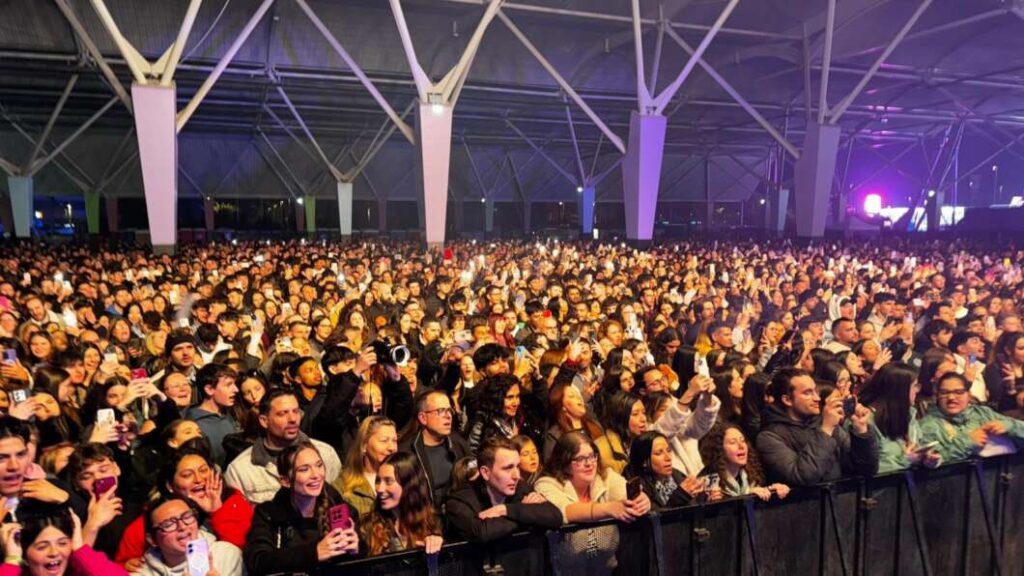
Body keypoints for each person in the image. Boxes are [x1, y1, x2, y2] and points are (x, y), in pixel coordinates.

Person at [115, 441, 253, 568]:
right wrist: (127, 564)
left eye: (204, 470)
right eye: (187, 475)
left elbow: (245, 556)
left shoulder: (234, 502)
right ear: (170, 486)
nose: (199, 479)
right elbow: (119, 566)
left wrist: (217, 512)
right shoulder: (154, 519)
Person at [534, 431, 651, 575]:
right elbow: (564, 511)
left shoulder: (606, 476)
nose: (589, 464)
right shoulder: (546, 484)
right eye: (580, 459)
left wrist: (643, 500)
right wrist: (608, 509)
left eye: (592, 456)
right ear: (564, 463)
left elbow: (627, 494)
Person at [244, 441, 360, 575]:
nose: (316, 475)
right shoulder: (268, 514)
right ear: (285, 481)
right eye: (304, 469)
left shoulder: (340, 510)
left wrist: (356, 550)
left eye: (319, 465)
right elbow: (257, 561)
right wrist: (313, 553)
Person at [756, 368, 879, 485]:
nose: (817, 398)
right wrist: (825, 431)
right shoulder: (769, 437)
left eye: (815, 391)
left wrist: (861, 431)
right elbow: (803, 476)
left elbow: (865, 469)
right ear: (787, 400)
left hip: (837, 503)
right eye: (807, 393)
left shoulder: (823, 423)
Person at [225, 389, 341, 504]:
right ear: (264, 421)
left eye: (296, 411)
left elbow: (339, 504)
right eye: (282, 414)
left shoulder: (326, 454)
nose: (292, 419)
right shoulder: (240, 470)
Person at [444, 437, 562, 542]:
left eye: (517, 466)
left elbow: (555, 516)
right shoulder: (460, 498)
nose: (516, 475)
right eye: (508, 468)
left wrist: (505, 510)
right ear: (485, 472)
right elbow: (482, 532)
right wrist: (526, 513)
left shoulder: (519, 487)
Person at [918, 373, 1024, 462]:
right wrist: (968, 442)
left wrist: (1010, 427)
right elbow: (933, 460)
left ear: (968, 395)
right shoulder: (928, 425)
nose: (951, 397)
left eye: (958, 392)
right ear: (937, 396)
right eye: (944, 393)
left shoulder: (982, 413)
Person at [857, 363, 941, 473]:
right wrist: (908, 459)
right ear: (899, 389)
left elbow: (918, 446)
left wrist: (928, 459)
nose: (918, 390)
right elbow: (872, 468)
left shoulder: (909, 414)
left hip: (909, 486)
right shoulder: (864, 421)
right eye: (915, 385)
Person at [0, 505, 128, 576]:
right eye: (42, 547)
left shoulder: (81, 572)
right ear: (24, 554)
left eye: (62, 543)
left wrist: (79, 548)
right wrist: (12, 562)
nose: (54, 552)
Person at [360, 451, 444, 556]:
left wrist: (436, 544)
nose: (379, 489)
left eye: (388, 481)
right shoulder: (367, 528)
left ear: (408, 485)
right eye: (378, 481)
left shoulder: (432, 523)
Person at [135, 496, 243, 576]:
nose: (182, 526)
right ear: (152, 539)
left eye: (187, 516)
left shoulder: (226, 554)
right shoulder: (140, 573)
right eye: (168, 524)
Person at [398, 390, 471, 508]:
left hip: (459, 517)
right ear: (423, 418)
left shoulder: (458, 443)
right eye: (441, 411)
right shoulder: (407, 452)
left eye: (449, 410)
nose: (448, 416)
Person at [698, 425, 790, 501]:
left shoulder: (754, 475)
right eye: (733, 442)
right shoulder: (707, 482)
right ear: (719, 449)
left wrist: (773, 491)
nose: (741, 446)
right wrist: (747, 496)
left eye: (742, 440)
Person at [626, 431, 710, 509]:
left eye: (668, 450)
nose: (668, 457)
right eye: (659, 453)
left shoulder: (677, 475)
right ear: (644, 461)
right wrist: (680, 496)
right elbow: (654, 520)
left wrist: (705, 498)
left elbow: (693, 510)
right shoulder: (637, 487)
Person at [335, 415, 398, 518]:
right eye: (384, 440)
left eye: (394, 441)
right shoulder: (343, 486)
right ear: (364, 445)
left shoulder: (404, 478)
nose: (392, 448)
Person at [182, 364, 239, 467]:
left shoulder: (228, 413)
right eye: (228, 385)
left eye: (234, 384)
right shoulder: (195, 425)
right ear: (209, 389)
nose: (236, 390)